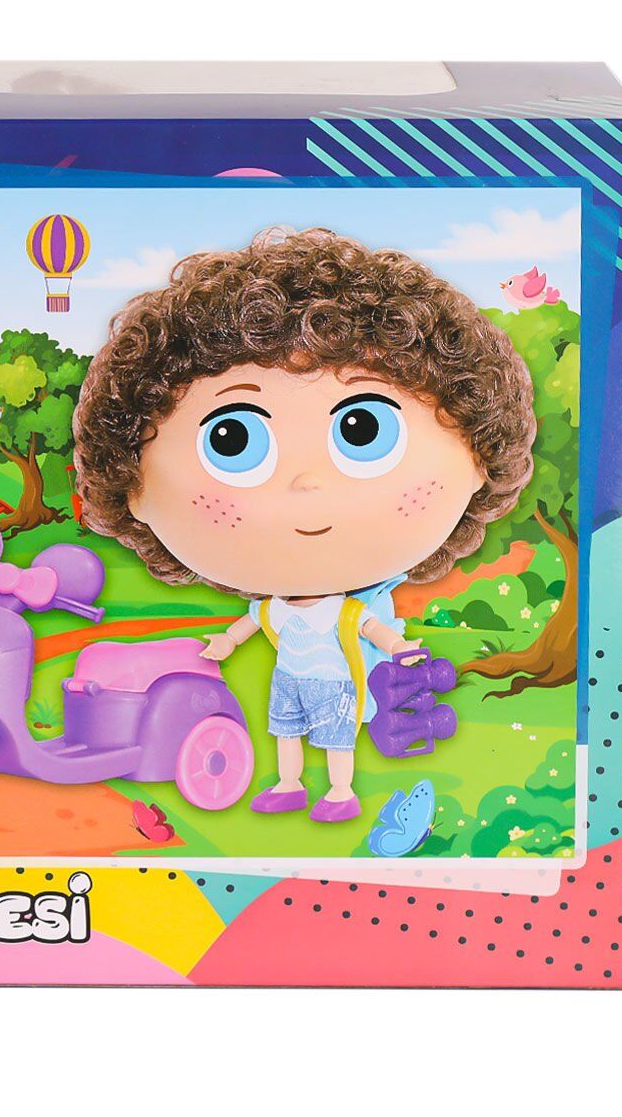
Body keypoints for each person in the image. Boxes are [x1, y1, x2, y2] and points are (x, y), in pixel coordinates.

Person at [73, 227, 536, 822]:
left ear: (478, 457)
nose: (307, 483)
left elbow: (372, 629)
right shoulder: (273, 611)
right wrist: (223, 642)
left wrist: (400, 647)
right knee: (285, 730)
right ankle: (291, 783)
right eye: (232, 439)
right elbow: (249, 628)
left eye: (363, 430)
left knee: (337, 738)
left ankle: (339, 791)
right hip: (291, 682)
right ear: (130, 486)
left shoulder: (346, 611)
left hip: (338, 684)